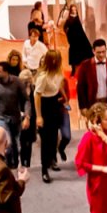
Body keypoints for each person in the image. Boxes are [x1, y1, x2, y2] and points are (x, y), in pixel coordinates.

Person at [34, 49, 72, 183]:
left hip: (55, 105)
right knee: (45, 141)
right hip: (45, 106)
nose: (56, 62)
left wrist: (64, 96)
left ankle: (52, 160)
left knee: (54, 137)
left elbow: (58, 84)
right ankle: (44, 169)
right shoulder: (42, 76)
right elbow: (37, 96)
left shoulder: (58, 73)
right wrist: (39, 116)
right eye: (54, 59)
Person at [0, 61, 27, 170]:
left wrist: (27, 116)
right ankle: (5, 165)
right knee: (8, 143)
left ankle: (15, 163)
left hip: (16, 117)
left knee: (16, 143)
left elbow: (26, 100)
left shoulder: (17, 82)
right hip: (2, 117)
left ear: (6, 72)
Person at [75, 38, 107, 112]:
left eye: (103, 52)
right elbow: (80, 87)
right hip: (92, 104)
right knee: (94, 123)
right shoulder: (85, 65)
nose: (101, 55)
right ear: (93, 51)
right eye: (99, 52)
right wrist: (83, 107)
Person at [61, 2, 94, 70]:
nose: (74, 11)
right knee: (73, 53)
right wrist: (68, 34)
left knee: (85, 51)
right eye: (73, 10)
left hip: (80, 38)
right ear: (71, 10)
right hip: (73, 40)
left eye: (75, 10)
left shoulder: (77, 17)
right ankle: (73, 68)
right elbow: (65, 27)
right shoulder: (69, 19)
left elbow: (80, 28)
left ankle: (83, 66)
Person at [17, 71, 37, 170]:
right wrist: (23, 115)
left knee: (29, 141)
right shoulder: (17, 89)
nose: (26, 82)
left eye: (27, 79)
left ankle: (27, 162)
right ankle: (22, 160)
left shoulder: (34, 88)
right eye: (24, 80)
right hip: (20, 116)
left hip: (32, 118)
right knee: (21, 140)